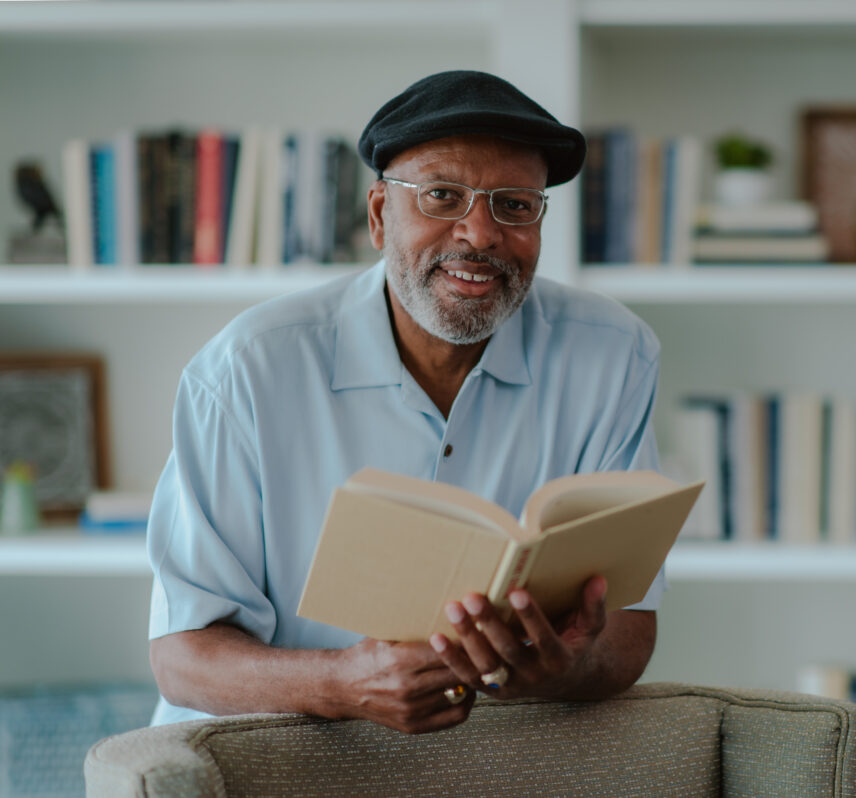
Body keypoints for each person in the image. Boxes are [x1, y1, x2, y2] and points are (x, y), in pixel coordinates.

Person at [145, 70, 665, 734]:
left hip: (489, 758)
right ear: (379, 215)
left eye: (514, 204)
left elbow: (626, 630)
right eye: (443, 196)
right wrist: (342, 684)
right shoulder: (247, 369)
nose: (479, 234)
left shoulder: (614, 355)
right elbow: (182, 658)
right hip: (268, 754)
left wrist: (560, 671)